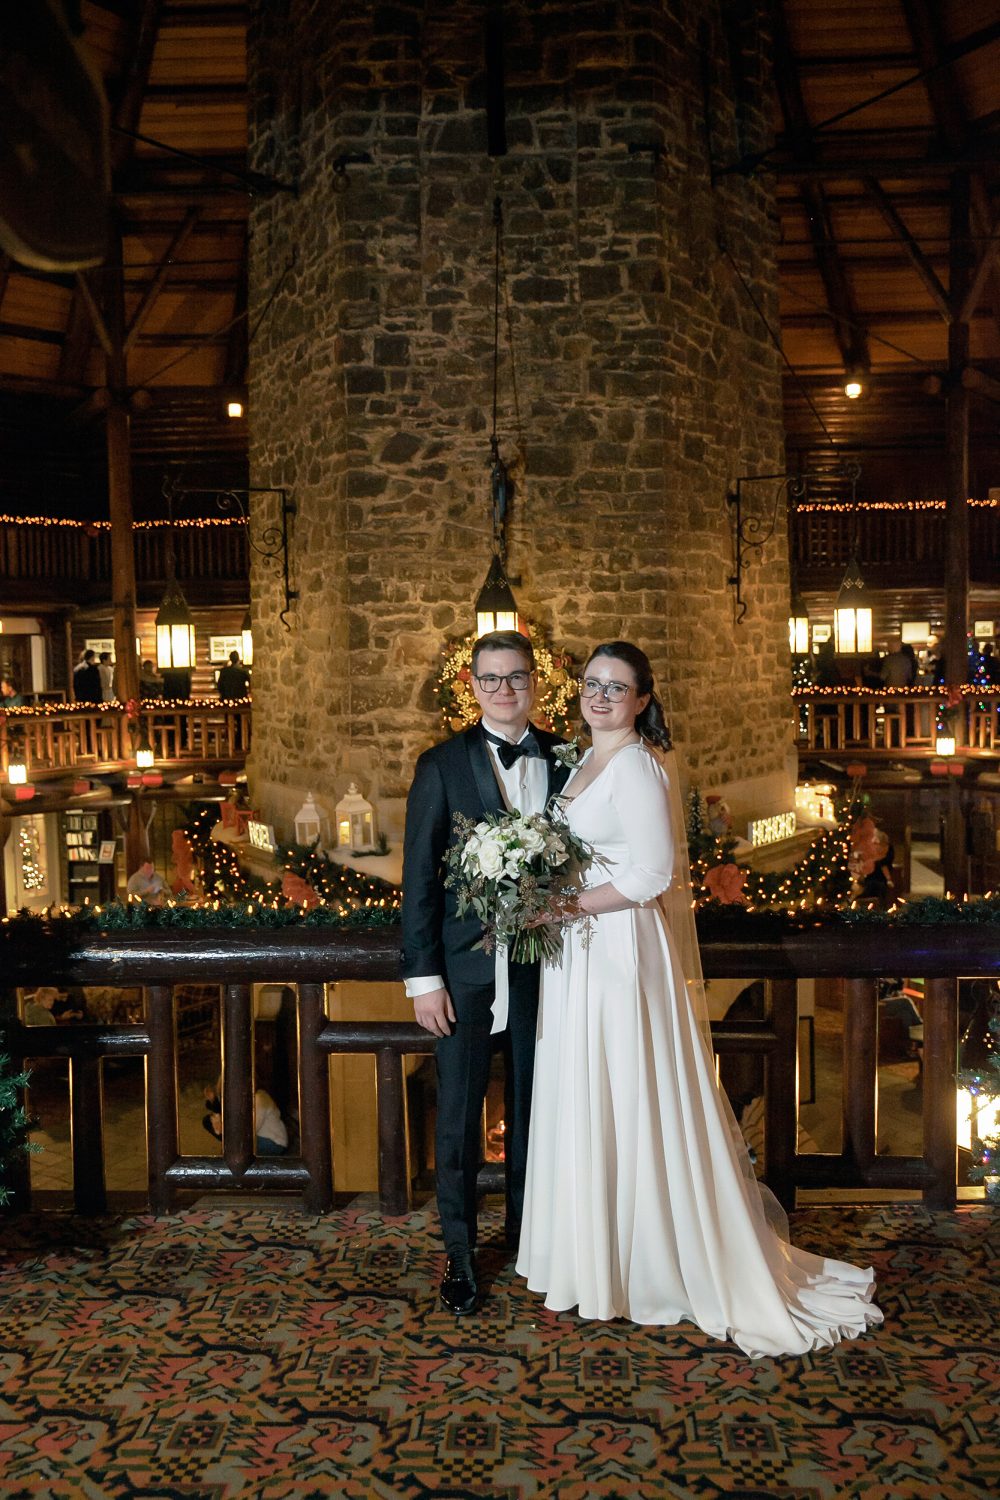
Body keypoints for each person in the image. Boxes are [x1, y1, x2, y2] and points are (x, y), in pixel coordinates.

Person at [516, 641, 883, 1358]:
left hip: (620, 950)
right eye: (592, 683)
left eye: (616, 688)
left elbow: (652, 874)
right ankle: (591, 1259)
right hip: (579, 953)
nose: (599, 696)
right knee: (588, 1090)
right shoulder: (582, 760)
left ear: (642, 700)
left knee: (630, 1092)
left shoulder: (637, 766)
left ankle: (648, 1263)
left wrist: (561, 907)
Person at [401, 629, 570, 1315]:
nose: (505, 689)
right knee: (457, 1121)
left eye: (517, 677)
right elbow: (418, 878)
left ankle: (531, 1243)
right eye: (491, 678)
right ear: (471, 686)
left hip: (548, 974)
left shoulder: (566, 759)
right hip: (464, 974)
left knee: (537, 1113)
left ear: (535, 683)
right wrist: (424, 979)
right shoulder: (440, 765)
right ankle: (460, 1253)